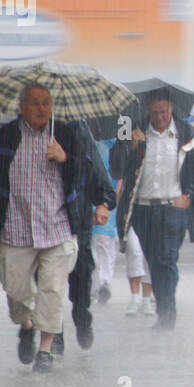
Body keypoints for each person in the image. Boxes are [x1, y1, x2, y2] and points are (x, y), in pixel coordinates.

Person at [0, 83, 89, 372]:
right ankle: (27, 324)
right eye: (36, 103)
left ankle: (45, 350)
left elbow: (84, 173)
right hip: (16, 228)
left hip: (57, 226)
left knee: (52, 289)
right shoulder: (6, 136)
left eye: (47, 103)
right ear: (22, 107)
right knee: (15, 289)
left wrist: (66, 159)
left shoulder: (64, 134)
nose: (42, 108)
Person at [114, 94, 194, 330]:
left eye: (164, 113)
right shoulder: (131, 129)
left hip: (173, 209)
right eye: (155, 113)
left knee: (167, 260)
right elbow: (116, 167)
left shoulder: (186, 133)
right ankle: (165, 306)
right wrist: (131, 146)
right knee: (154, 262)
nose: (159, 118)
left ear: (171, 110)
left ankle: (167, 312)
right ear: (148, 110)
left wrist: (188, 197)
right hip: (142, 210)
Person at [62, 122, 115, 353]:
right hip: (41, 222)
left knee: (81, 275)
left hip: (77, 218)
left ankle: (82, 315)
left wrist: (103, 201)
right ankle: (52, 334)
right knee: (47, 283)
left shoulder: (78, 129)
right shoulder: (25, 132)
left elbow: (92, 169)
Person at [93, 137, 155, 315]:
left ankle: (145, 297)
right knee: (131, 250)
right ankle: (132, 295)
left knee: (148, 254)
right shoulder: (124, 144)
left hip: (151, 208)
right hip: (127, 206)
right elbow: (119, 167)